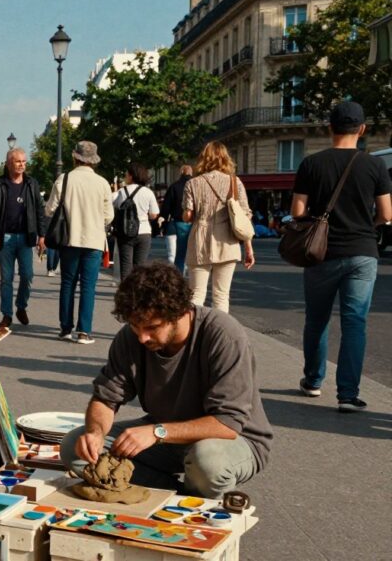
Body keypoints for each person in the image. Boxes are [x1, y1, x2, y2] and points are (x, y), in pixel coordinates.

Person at [60, 262, 273, 499]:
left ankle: (199, 500)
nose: (142, 337)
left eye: (152, 327)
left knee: (208, 462)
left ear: (179, 313)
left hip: (232, 438)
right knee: (74, 447)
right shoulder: (131, 338)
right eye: (135, 326)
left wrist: (157, 432)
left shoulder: (223, 335)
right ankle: (175, 495)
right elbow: (105, 399)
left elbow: (228, 423)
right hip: (166, 434)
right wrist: (95, 432)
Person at [292, 101, 392, 411]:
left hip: (321, 253)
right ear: (362, 129)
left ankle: (313, 381)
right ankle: (348, 394)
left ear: (329, 128)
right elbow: (386, 214)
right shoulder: (374, 165)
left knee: (316, 320)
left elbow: (297, 211)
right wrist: (366, 224)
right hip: (362, 252)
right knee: (355, 323)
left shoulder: (311, 163)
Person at [45, 141, 114, 344]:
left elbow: (50, 209)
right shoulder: (102, 183)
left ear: (75, 157)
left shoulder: (64, 179)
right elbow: (109, 215)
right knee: (88, 286)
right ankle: (84, 331)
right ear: (94, 160)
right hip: (94, 240)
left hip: (69, 239)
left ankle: (65, 327)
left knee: (68, 283)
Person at [182, 141, 255, 313]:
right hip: (227, 240)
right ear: (225, 158)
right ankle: (219, 328)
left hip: (200, 240)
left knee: (196, 294)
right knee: (221, 296)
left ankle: (194, 328)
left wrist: (191, 212)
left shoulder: (192, 183)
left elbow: (187, 216)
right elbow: (245, 216)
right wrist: (248, 247)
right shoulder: (235, 182)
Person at [0, 148, 47, 328]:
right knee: (6, 278)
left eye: (24, 162)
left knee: (27, 275)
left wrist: (42, 235)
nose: (22, 165)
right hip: (5, 237)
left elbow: (39, 210)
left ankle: (21, 306)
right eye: (18, 161)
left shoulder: (31, 184)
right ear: (9, 163)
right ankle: (7, 314)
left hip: (26, 237)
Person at [112, 163, 160, 281]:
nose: (125, 177)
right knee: (140, 267)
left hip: (125, 231)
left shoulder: (122, 192)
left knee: (125, 266)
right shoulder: (148, 192)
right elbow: (154, 214)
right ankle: (139, 289)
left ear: (131, 176)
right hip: (144, 231)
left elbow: (114, 204)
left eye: (126, 175)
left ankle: (126, 290)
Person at [161, 164, 194, 273]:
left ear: (181, 172)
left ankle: (178, 276)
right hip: (193, 223)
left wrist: (163, 219)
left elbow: (166, 206)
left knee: (174, 255)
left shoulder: (174, 186)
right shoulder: (196, 185)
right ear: (191, 173)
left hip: (176, 222)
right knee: (191, 254)